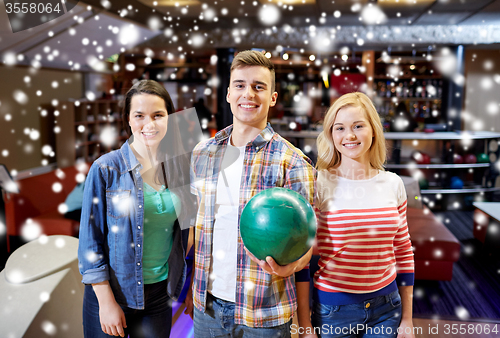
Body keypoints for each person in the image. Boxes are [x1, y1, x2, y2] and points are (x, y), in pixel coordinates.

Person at [186, 50, 317, 337]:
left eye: (259, 87)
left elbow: (309, 239)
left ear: (272, 97)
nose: (249, 94)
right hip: (206, 307)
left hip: (264, 313)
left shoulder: (292, 161)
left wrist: (292, 266)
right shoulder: (202, 154)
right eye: (240, 85)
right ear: (229, 93)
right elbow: (195, 228)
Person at [78, 79, 193, 338]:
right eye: (139, 115)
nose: (148, 124)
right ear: (128, 120)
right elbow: (89, 243)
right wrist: (106, 302)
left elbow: (188, 231)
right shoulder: (106, 169)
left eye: (158, 115)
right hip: (112, 294)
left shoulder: (180, 169)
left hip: (158, 297)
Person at [302, 92, 415, 338]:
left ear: (373, 130)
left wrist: (407, 319)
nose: (349, 135)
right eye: (339, 128)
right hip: (334, 310)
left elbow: (403, 250)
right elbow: (303, 255)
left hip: (387, 307)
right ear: (331, 134)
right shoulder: (318, 183)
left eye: (358, 126)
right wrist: (304, 324)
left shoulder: (393, 183)